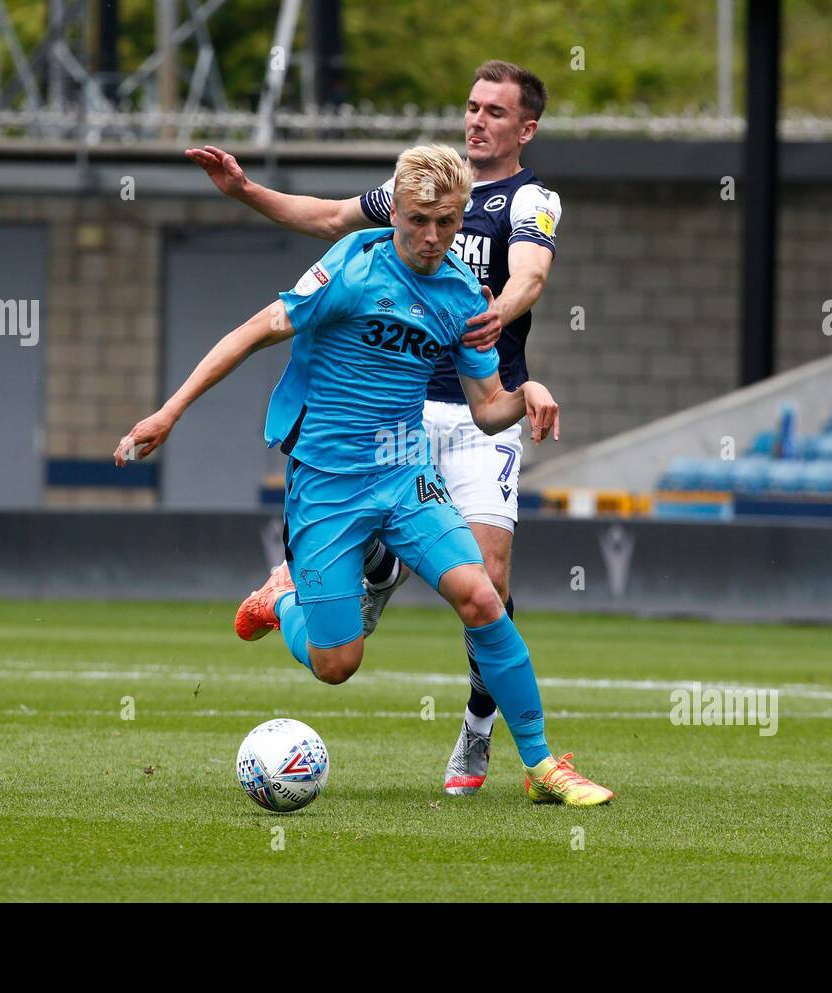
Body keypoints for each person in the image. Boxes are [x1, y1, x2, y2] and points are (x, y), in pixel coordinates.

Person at [113, 144, 612, 806]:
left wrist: (531, 392)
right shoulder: (351, 268)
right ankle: (280, 599)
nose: (432, 237)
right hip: (327, 483)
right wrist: (167, 413)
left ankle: (543, 764)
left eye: (447, 221)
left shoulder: (462, 292)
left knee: (482, 597)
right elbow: (253, 331)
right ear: (397, 210)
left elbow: (489, 408)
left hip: (407, 475)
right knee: (336, 665)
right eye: (418, 220)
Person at [187, 60, 560, 796]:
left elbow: (530, 275)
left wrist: (498, 313)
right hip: (406, 408)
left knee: (487, 584)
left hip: (483, 405)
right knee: (342, 653)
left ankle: (486, 739)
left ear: (526, 128)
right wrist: (248, 191)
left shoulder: (529, 199)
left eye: (495, 110)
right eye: (472, 104)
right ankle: (350, 576)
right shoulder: (414, 191)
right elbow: (328, 217)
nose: (478, 119)